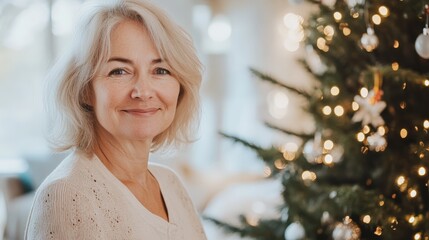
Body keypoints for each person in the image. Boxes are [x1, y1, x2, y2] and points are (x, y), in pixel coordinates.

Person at [25, 0, 207, 239]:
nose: (143, 91)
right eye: (119, 71)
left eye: (160, 70)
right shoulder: (66, 195)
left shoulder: (171, 183)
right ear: (85, 90)